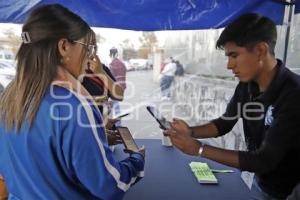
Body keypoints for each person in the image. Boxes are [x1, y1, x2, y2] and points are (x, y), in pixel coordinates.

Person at [0, 4, 145, 199]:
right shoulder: (75, 106)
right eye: (87, 47)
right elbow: (109, 186)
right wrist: (136, 161)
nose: (89, 56)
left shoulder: (9, 96)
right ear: (64, 47)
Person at [164, 13, 300, 199]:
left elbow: (264, 160)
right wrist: (190, 132)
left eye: (234, 55)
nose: (229, 65)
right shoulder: (246, 85)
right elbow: (224, 123)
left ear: (260, 50)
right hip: (259, 183)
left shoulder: (294, 93)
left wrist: (198, 149)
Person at [108, 47, 127, 126]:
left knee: (114, 106)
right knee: (115, 105)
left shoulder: (112, 64)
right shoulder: (121, 63)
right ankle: (117, 123)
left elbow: (111, 77)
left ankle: (117, 124)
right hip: (121, 86)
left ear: (110, 54)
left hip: (115, 87)